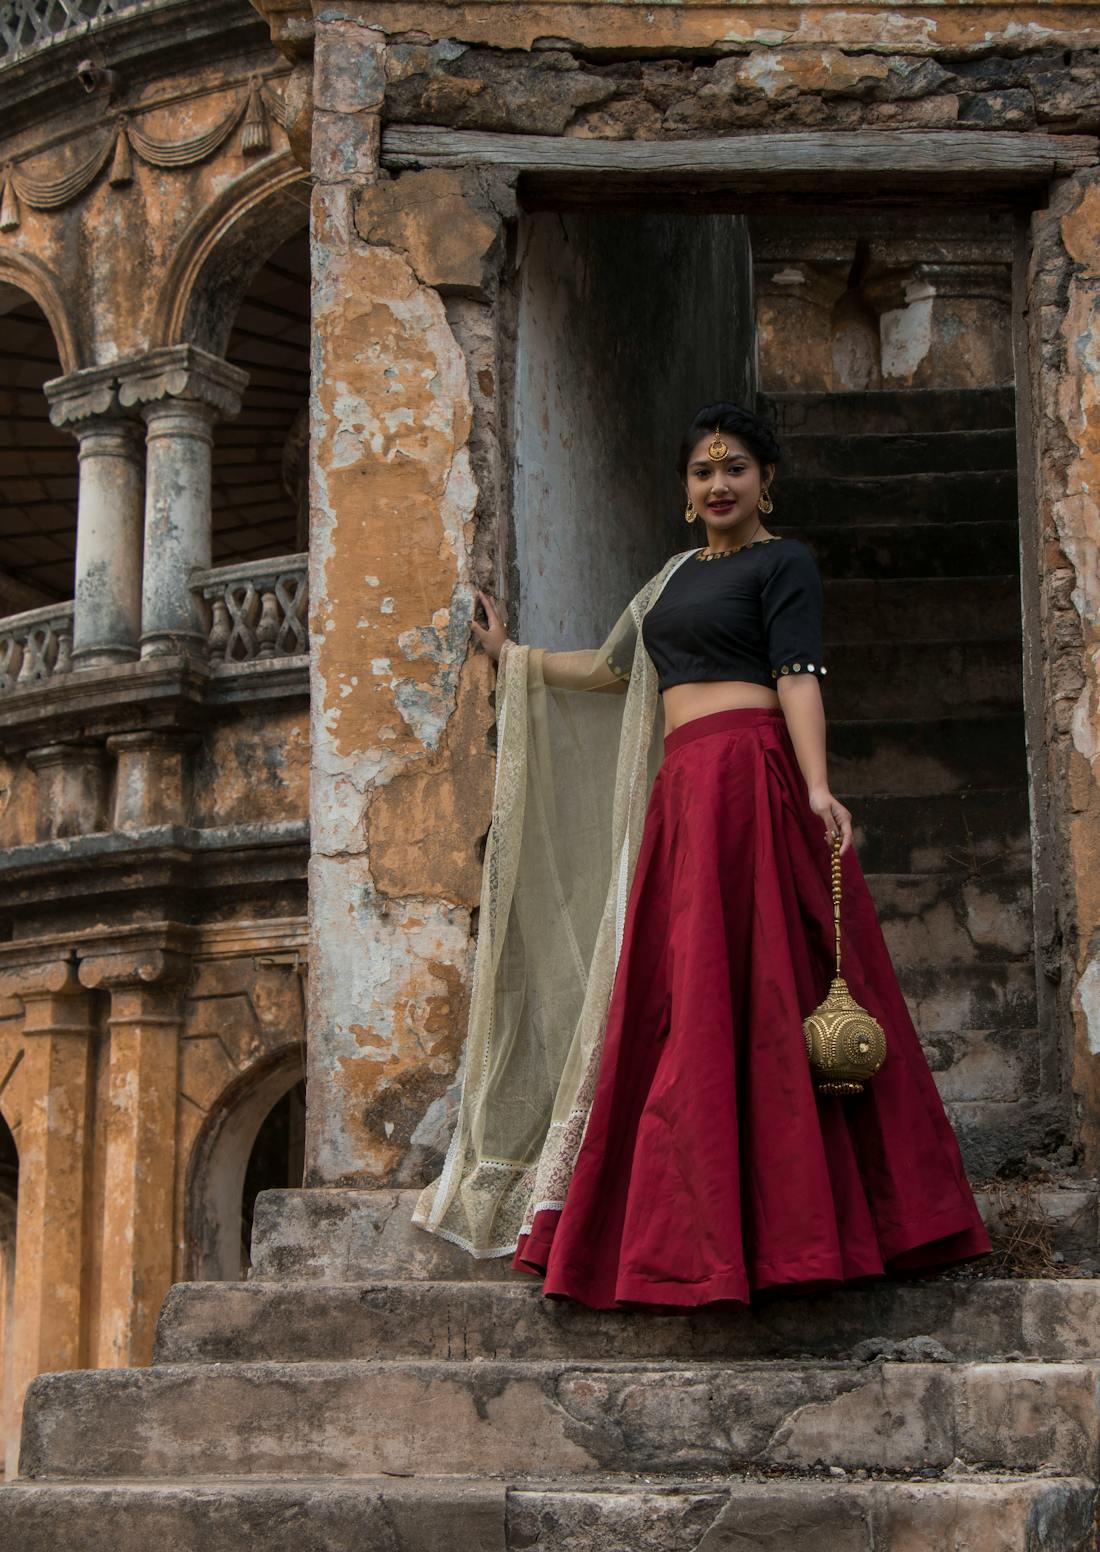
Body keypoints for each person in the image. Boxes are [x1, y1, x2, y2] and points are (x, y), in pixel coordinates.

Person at [412, 401, 991, 1310]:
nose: (718, 485)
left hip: (750, 784)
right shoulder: (671, 580)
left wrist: (817, 786)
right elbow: (612, 670)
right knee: (680, 995)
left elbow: (798, 672)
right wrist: (513, 655)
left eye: (736, 469)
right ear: (686, 491)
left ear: (766, 482)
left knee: (772, 990)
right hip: (683, 795)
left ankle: (815, 1225)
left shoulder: (784, 562)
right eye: (702, 472)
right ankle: (677, 1229)